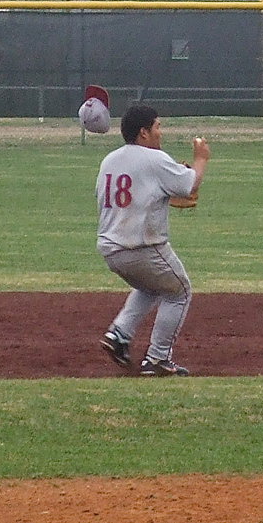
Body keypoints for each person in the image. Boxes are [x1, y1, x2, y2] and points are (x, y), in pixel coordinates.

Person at [96, 104, 210, 377]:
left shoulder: (109, 160)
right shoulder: (153, 159)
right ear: (143, 133)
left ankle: (119, 334)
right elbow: (189, 184)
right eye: (157, 126)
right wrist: (201, 158)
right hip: (141, 248)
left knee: (152, 287)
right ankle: (158, 358)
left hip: (111, 250)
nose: (161, 132)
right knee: (179, 291)